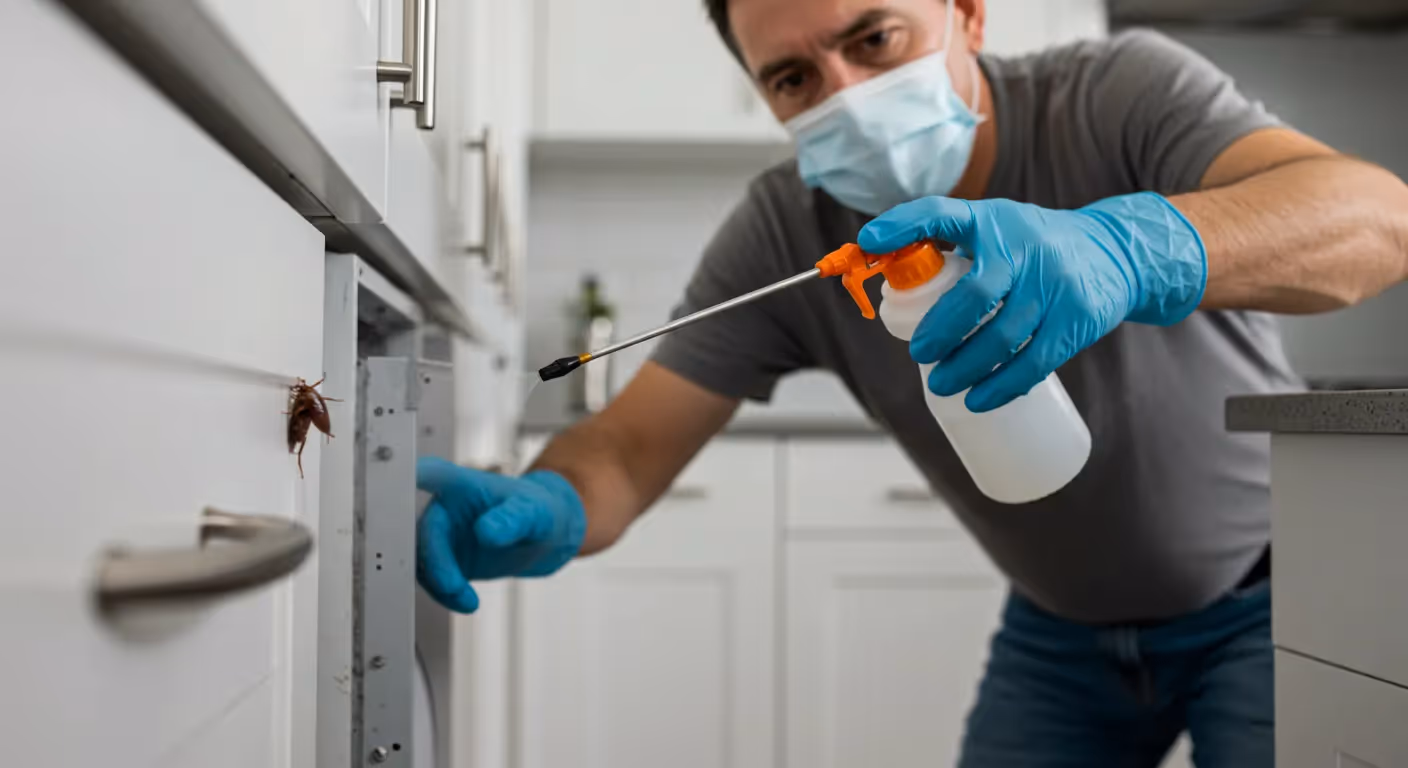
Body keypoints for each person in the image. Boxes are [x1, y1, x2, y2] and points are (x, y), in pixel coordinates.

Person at [415, 0, 1408, 764]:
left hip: (1267, 602)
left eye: (874, 37)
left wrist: (1130, 246)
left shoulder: (1115, 94)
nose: (844, 93)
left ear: (965, 13)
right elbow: (629, 446)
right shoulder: (786, 233)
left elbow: (1377, 222)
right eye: (794, 78)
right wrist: (551, 499)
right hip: (1057, 634)